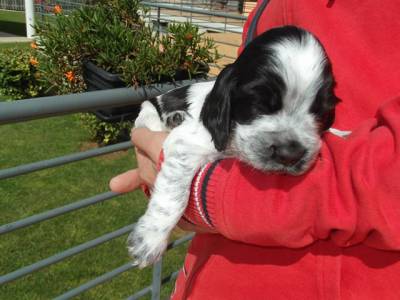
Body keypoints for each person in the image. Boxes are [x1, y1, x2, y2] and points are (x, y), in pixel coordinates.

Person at [110, 0, 400, 299]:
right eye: (263, 104)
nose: (289, 148)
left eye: (315, 112)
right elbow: (181, 147)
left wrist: (208, 194)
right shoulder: (258, 35)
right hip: (215, 270)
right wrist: (160, 218)